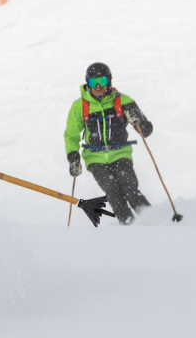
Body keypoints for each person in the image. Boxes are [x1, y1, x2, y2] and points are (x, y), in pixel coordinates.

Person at [65, 62, 155, 225]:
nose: (98, 86)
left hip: (121, 154)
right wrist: (73, 157)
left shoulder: (122, 101)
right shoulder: (80, 106)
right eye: (93, 82)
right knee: (113, 191)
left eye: (102, 81)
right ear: (88, 84)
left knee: (130, 190)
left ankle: (153, 222)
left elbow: (146, 130)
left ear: (109, 82)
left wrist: (138, 122)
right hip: (95, 159)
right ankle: (129, 226)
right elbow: (71, 136)